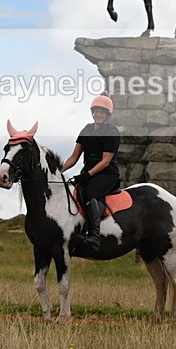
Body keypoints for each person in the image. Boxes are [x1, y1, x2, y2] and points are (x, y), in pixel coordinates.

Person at [61, 92, 121, 250]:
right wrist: (58, 171)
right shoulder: (86, 130)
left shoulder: (111, 132)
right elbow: (74, 157)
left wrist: (86, 175)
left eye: (102, 112)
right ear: (92, 112)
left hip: (107, 173)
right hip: (88, 172)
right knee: (75, 191)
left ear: (108, 115)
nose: (98, 114)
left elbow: (105, 161)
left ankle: (94, 236)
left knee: (89, 194)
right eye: (96, 111)